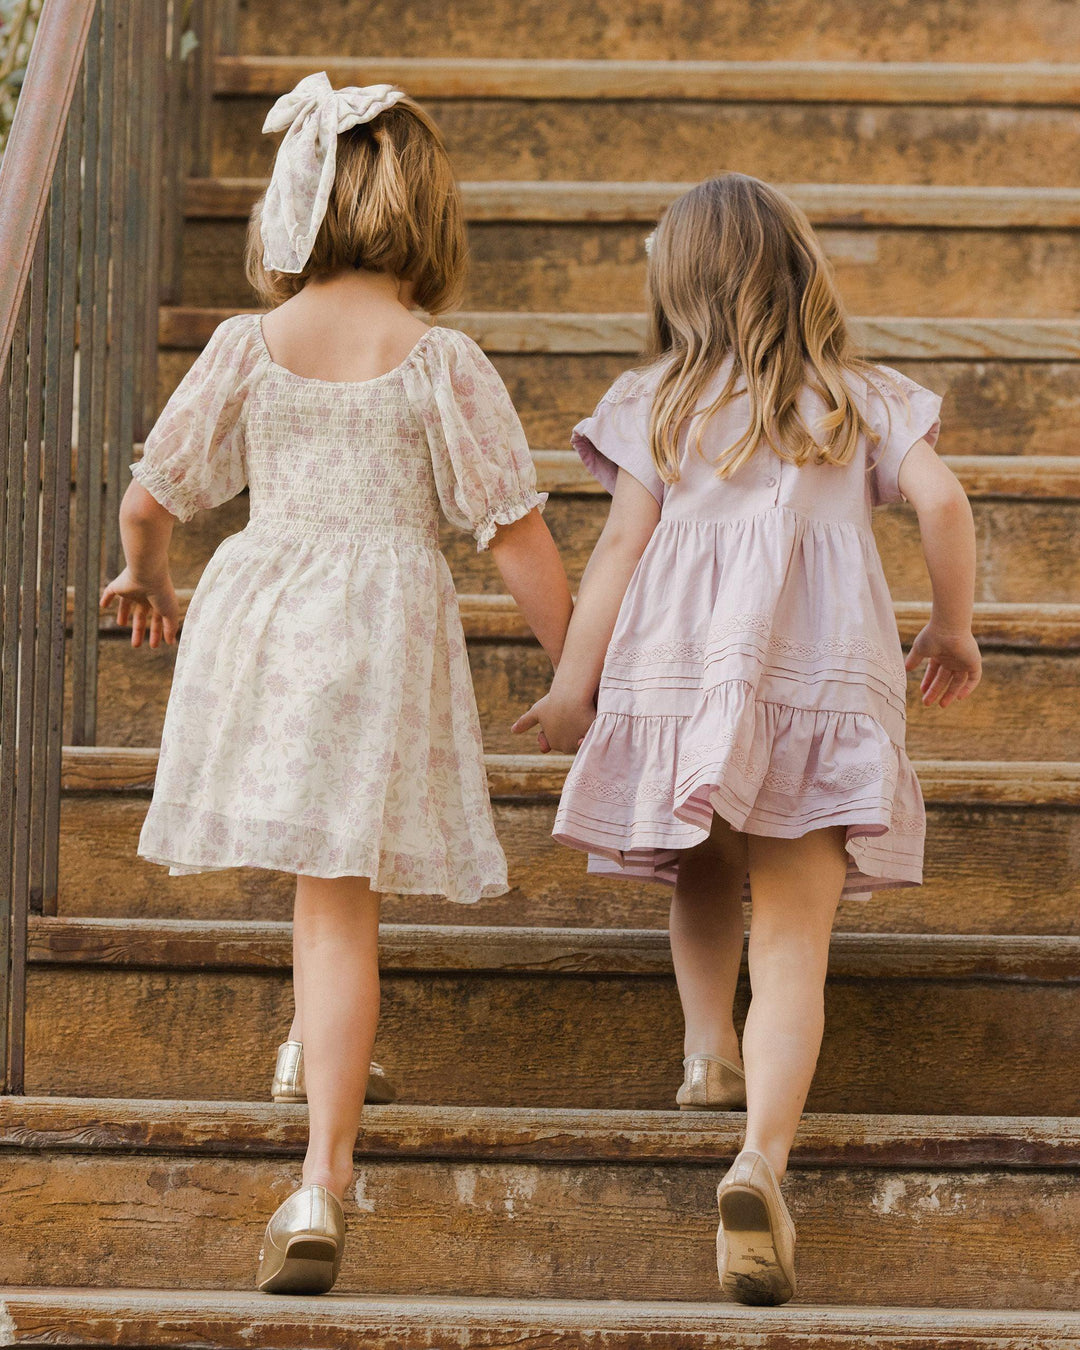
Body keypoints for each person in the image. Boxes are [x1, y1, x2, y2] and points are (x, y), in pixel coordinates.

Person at [101, 73, 573, 1295]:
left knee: (319, 879)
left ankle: (313, 1043)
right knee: (338, 893)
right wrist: (581, 666)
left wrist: (143, 579)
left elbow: (151, 497)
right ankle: (325, 1170)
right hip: (376, 633)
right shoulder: (441, 360)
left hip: (265, 624)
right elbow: (512, 533)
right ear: (425, 209)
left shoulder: (245, 347)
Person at [515, 172, 980, 1306]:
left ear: (675, 287)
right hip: (820, 686)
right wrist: (952, 624)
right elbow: (946, 503)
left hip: (685, 681)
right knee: (796, 936)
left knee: (701, 866)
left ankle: (704, 1052)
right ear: (801, 274)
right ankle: (762, 1154)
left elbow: (621, 550)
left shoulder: (653, 401)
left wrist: (577, 686)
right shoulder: (860, 396)